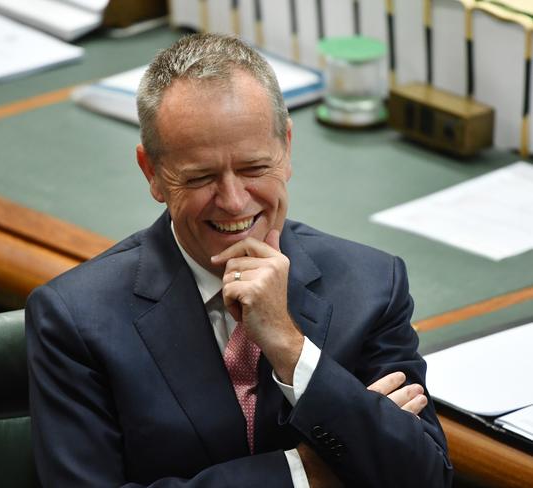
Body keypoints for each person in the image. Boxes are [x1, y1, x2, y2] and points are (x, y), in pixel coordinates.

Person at [26, 33, 453, 487]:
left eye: (253, 168)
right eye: (201, 177)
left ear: (286, 148)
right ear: (152, 173)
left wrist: (291, 349)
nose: (233, 201)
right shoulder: (74, 319)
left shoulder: (372, 287)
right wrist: (300, 474)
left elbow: (425, 477)